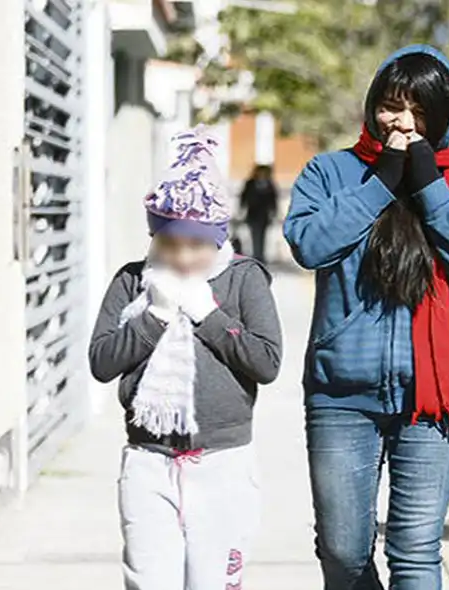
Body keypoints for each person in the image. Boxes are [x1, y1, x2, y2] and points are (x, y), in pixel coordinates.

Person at [283, 45, 449, 589]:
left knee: (414, 552)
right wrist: (380, 183)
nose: (402, 122)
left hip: (433, 398)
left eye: (420, 111)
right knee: (342, 553)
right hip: (341, 395)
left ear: (444, 117)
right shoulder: (330, 173)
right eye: (391, 105)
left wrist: (430, 187)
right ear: (372, 106)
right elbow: (309, 245)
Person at [88, 125, 283, 590]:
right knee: (148, 580)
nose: (182, 257)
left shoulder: (243, 279)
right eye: (170, 243)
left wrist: (208, 316)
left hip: (223, 462)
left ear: (217, 239)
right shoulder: (132, 281)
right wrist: (153, 317)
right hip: (148, 461)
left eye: (196, 245)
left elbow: (266, 362)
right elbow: (101, 362)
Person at [239, 164, 279, 263]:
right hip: (252, 214)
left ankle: (260, 255)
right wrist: (241, 210)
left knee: (263, 235)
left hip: (264, 215)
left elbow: (273, 200)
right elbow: (243, 197)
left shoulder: (269, 184)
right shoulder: (250, 183)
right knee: (254, 234)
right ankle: (256, 254)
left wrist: (274, 212)